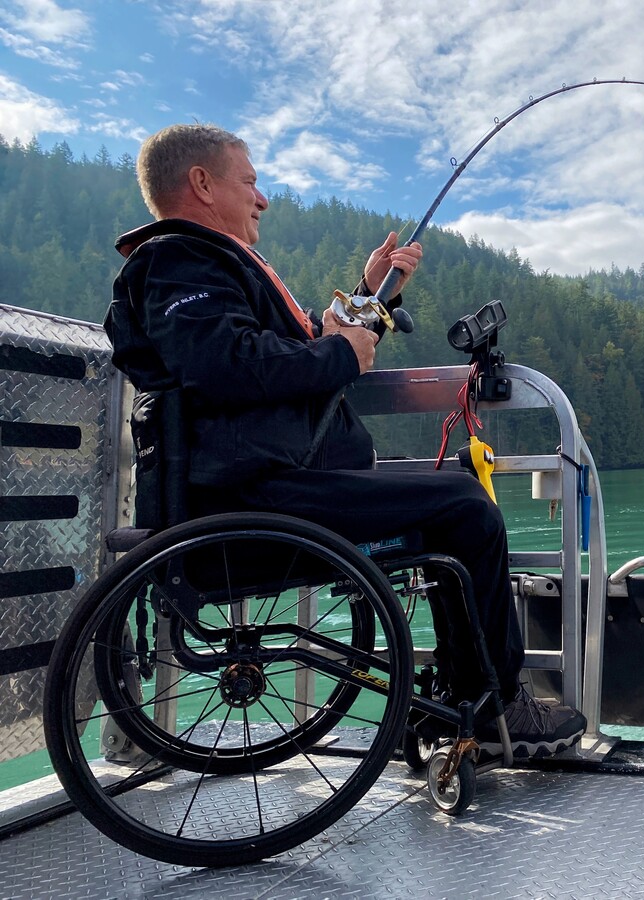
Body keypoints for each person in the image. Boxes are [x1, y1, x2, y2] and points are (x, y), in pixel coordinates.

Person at [104, 123, 586, 759]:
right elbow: (228, 364)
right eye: (249, 181)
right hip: (257, 501)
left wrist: (372, 292)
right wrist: (338, 353)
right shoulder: (177, 261)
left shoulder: (203, 266)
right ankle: (495, 707)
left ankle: (466, 698)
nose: (262, 198)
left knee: (458, 495)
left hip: (264, 487)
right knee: (466, 510)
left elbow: (289, 348)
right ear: (201, 183)